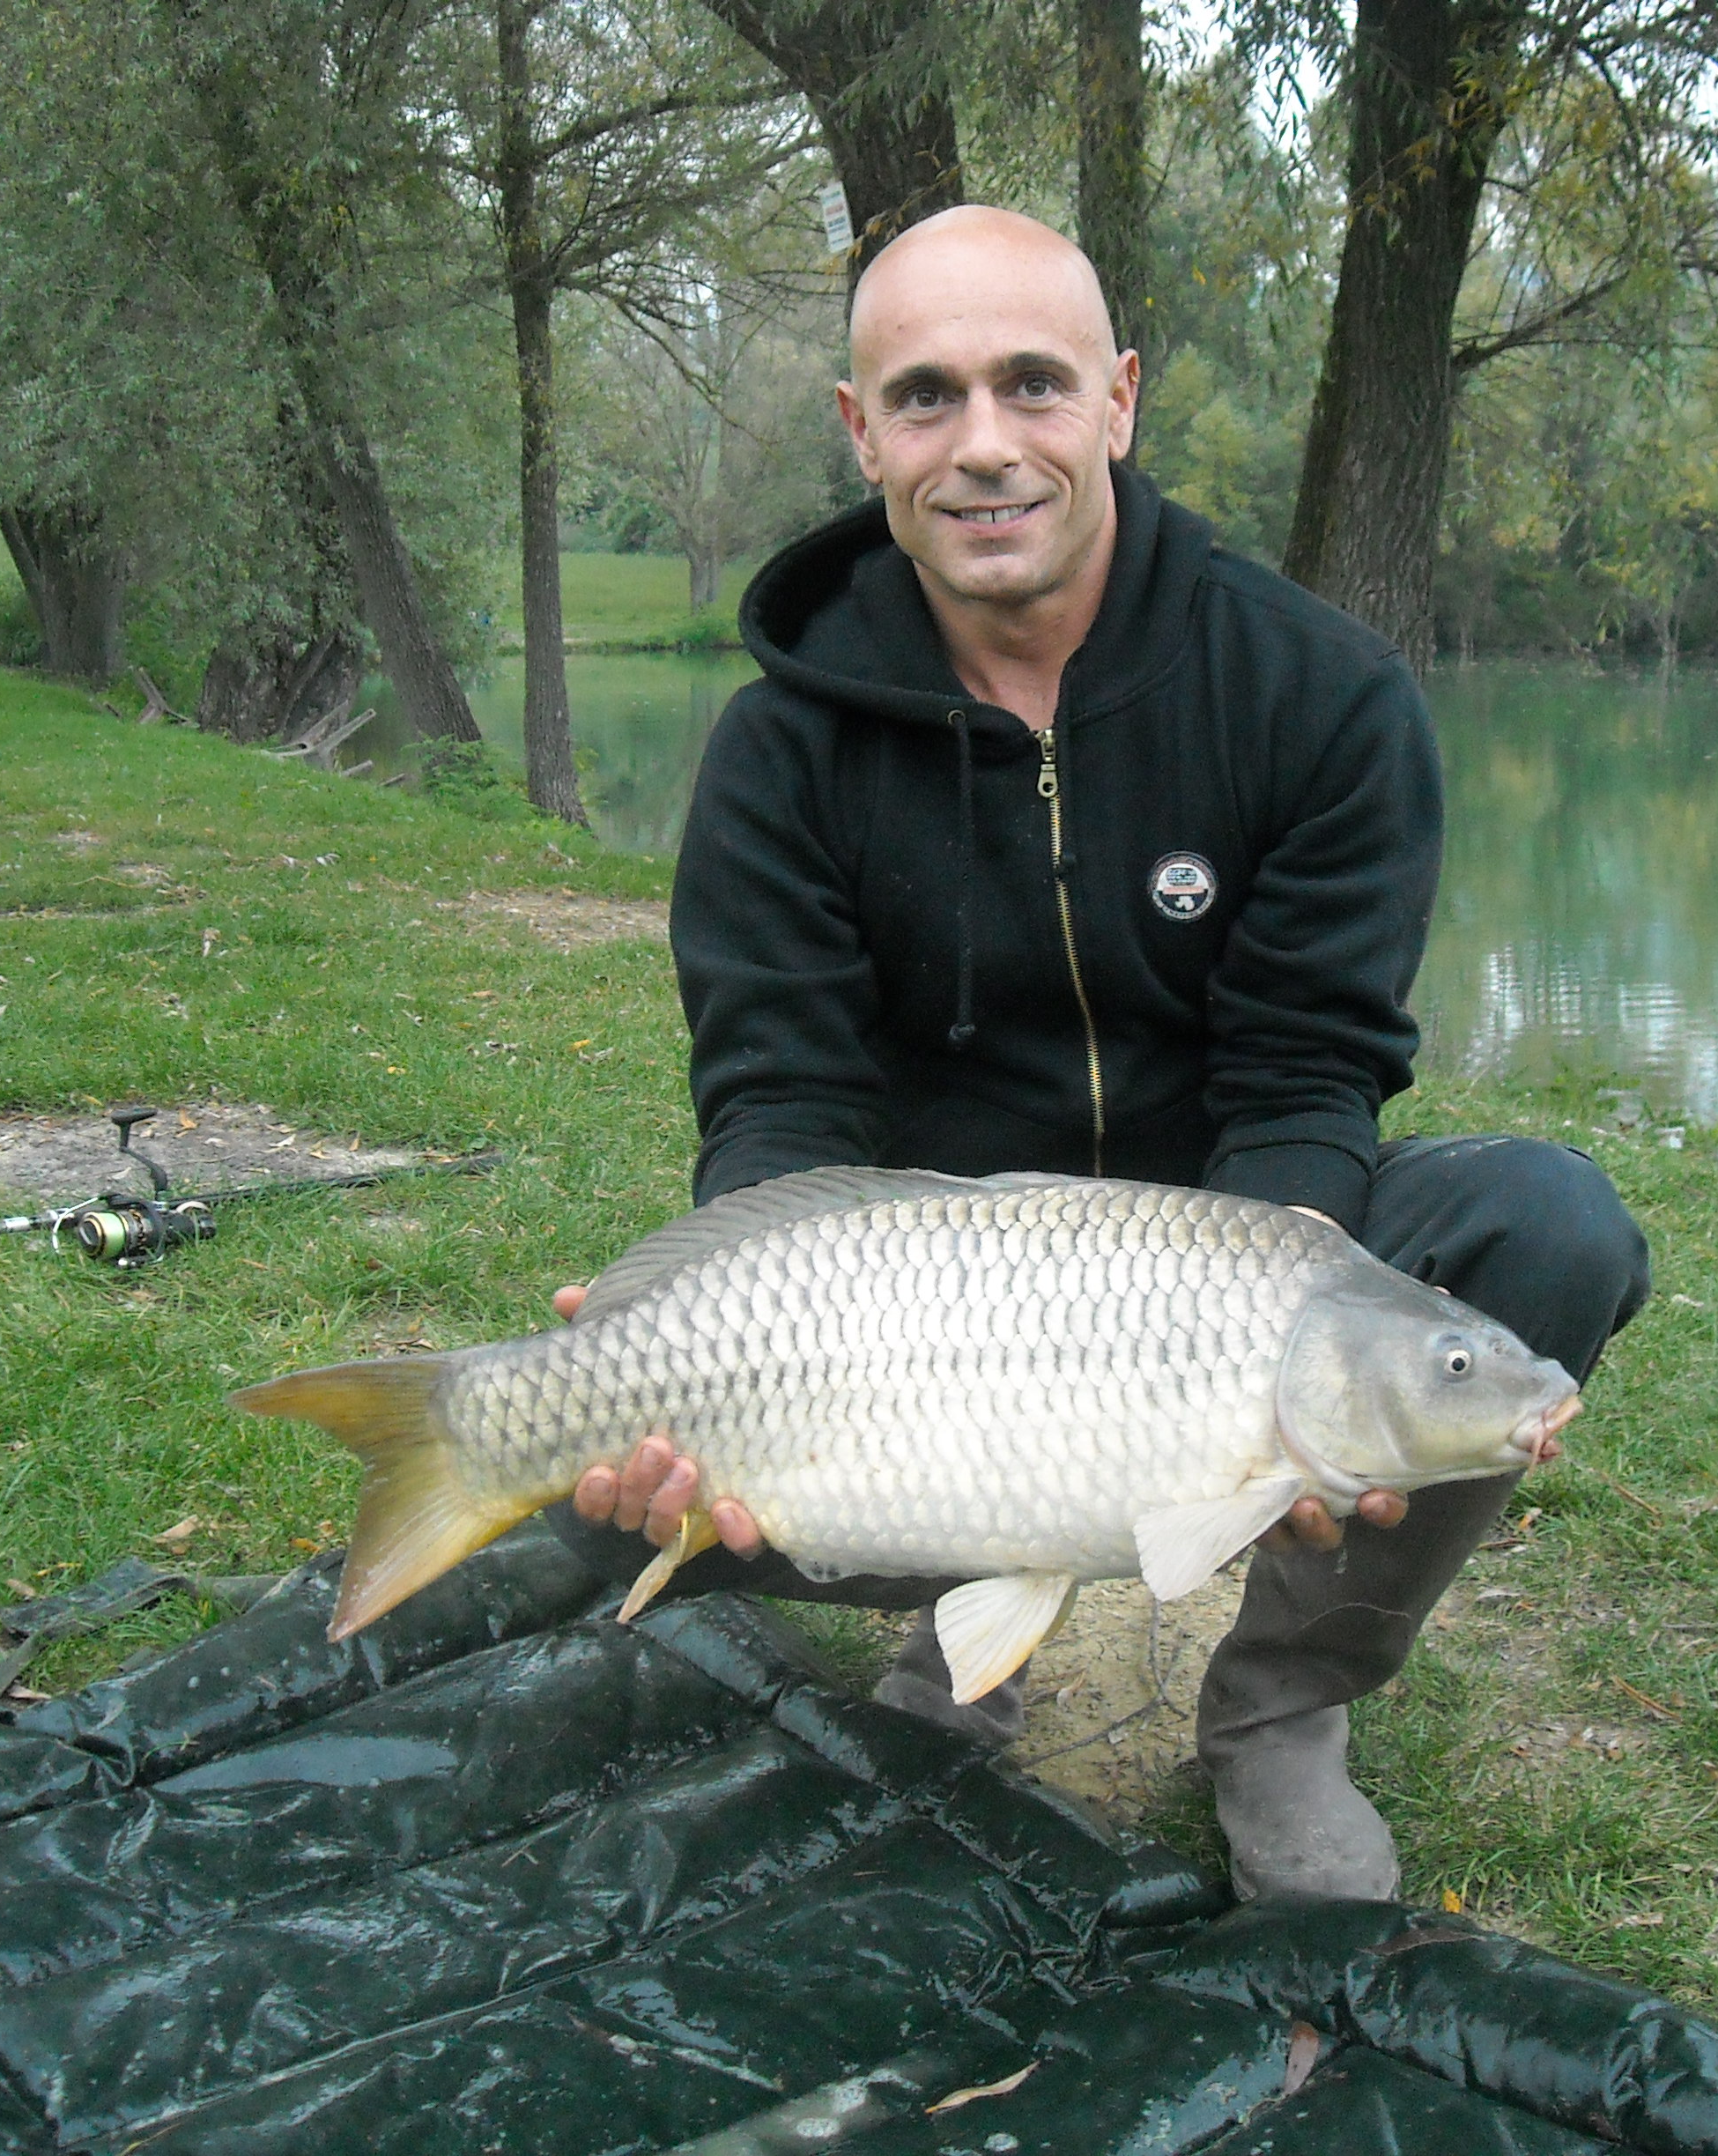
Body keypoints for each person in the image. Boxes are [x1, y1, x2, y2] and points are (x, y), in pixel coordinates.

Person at [546, 204, 1648, 1900]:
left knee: (1548, 1233)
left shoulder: (1321, 694)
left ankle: (1281, 1704)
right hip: (930, 1289)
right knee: (612, 1475)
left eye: (1034, 385)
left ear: (1119, 400)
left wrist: (1275, 1378)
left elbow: (1307, 1072)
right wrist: (696, 1340)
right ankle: (959, 1635)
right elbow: (782, 1100)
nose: (985, 445)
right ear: (861, 433)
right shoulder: (780, 750)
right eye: (926, 397)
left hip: (1233, 1234)